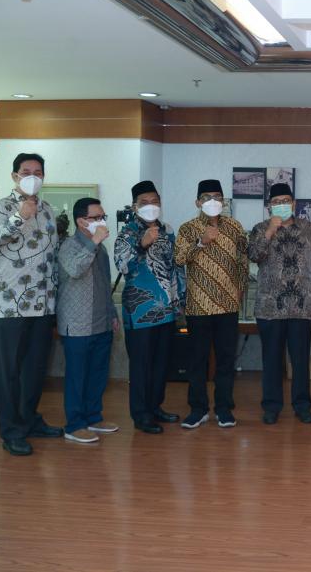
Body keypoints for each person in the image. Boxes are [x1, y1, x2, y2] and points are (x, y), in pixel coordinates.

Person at [0, 153, 62, 456]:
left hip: (42, 304)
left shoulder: (49, 209)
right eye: (26, 171)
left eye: (38, 172)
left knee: (34, 370)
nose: (32, 176)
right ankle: (11, 431)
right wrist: (19, 217)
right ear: (15, 176)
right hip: (8, 305)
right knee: (8, 373)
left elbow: (52, 256)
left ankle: (29, 420)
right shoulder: (1, 207)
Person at [248, 183, 311, 425]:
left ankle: (302, 406)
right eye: (276, 202)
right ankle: (271, 406)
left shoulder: (308, 229)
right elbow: (254, 255)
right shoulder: (260, 228)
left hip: (302, 306)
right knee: (272, 360)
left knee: (300, 361)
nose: (282, 205)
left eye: (286, 201)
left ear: (293, 204)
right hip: (270, 307)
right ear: (269, 206)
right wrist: (270, 230)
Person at [174, 179, 248, 429]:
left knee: (226, 360)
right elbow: (179, 259)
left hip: (228, 305)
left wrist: (240, 288)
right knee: (197, 360)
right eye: (207, 197)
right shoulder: (188, 228)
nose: (213, 201)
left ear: (223, 201)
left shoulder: (235, 227)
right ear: (198, 202)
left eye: (217, 196)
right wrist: (201, 241)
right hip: (199, 305)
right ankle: (198, 409)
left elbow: (243, 261)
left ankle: (224, 409)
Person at [114, 180, 185, 435]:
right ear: (135, 206)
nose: (150, 205)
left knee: (161, 364)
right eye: (144, 202)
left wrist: (180, 300)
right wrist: (141, 244)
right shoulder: (128, 233)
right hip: (140, 312)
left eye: (155, 201)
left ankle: (155, 407)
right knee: (141, 366)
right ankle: (141, 414)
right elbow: (122, 265)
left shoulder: (167, 231)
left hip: (167, 310)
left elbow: (176, 267)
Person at [57, 198, 120, 444]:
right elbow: (75, 270)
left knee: (98, 374)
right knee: (77, 377)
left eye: (103, 217)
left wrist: (112, 314)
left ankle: (94, 417)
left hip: (101, 322)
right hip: (77, 324)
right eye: (96, 218)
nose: (102, 221)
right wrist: (93, 242)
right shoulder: (68, 245)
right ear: (81, 221)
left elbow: (105, 284)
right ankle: (74, 425)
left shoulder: (101, 249)